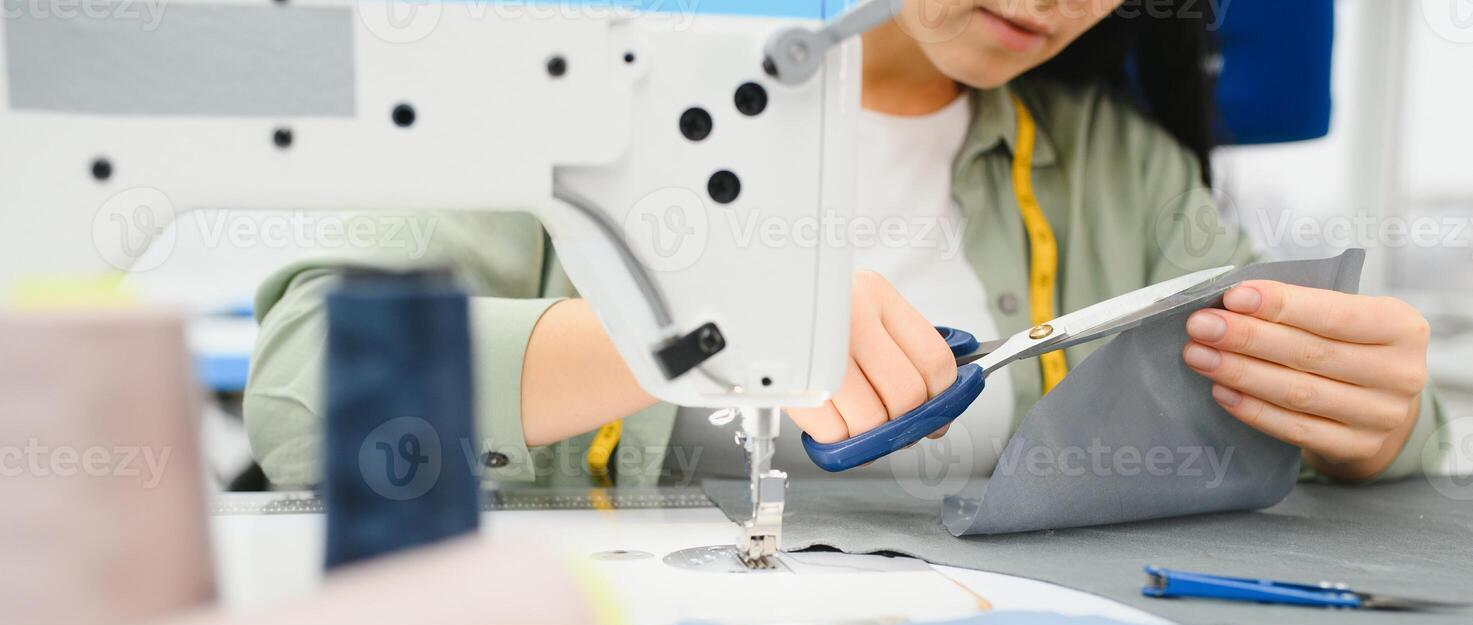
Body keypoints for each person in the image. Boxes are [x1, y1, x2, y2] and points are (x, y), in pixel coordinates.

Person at [245, 0, 1444, 490]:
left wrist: (1385, 424)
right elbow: (309, 389)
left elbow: (1349, 424)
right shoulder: (570, 82)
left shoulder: (1120, 168)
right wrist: (703, 328)